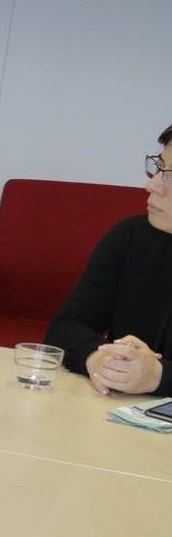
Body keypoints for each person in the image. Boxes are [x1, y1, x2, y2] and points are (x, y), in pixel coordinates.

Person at [46, 125, 172, 397]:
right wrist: (97, 358)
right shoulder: (131, 236)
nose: (152, 185)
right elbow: (66, 327)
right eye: (159, 168)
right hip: (114, 409)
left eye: (170, 176)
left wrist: (160, 376)